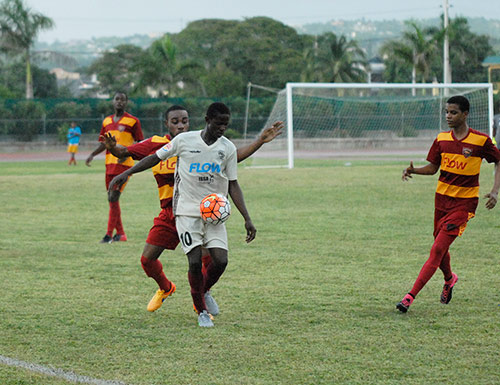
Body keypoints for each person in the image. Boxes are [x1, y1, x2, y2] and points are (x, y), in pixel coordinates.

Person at [104, 104, 283, 325]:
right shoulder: (158, 145)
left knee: (211, 261)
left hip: (205, 210)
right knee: (147, 260)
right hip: (172, 211)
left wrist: (258, 142)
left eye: (185, 121)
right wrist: (114, 151)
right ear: (166, 124)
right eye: (175, 121)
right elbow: (124, 152)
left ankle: (202, 296)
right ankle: (166, 288)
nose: (180, 125)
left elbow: (230, 159)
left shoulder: (204, 143)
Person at [397, 95, 500, 313]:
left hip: (463, 205)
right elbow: (433, 168)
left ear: (465, 114)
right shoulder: (442, 139)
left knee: (436, 250)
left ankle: (409, 297)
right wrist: (413, 170)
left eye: (453, 112)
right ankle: (449, 279)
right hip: (441, 201)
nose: (448, 116)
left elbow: (499, 160)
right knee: (440, 247)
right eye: (446, 112)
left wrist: (494, 191)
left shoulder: (481, 141)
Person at [85, 91, 144, 244]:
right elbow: (103, 143)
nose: (119, 102)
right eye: (117, 99)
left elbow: (140, 143)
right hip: (109, 165)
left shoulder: (133, 121)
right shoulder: (106, 121)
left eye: (122, 100)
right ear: (113, 102)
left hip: (124, 165)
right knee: (112, 200)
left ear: (126, 102)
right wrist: (92, 154)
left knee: (113, 197)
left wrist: (127, 154)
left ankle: (108, 235)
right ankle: (121, 234)